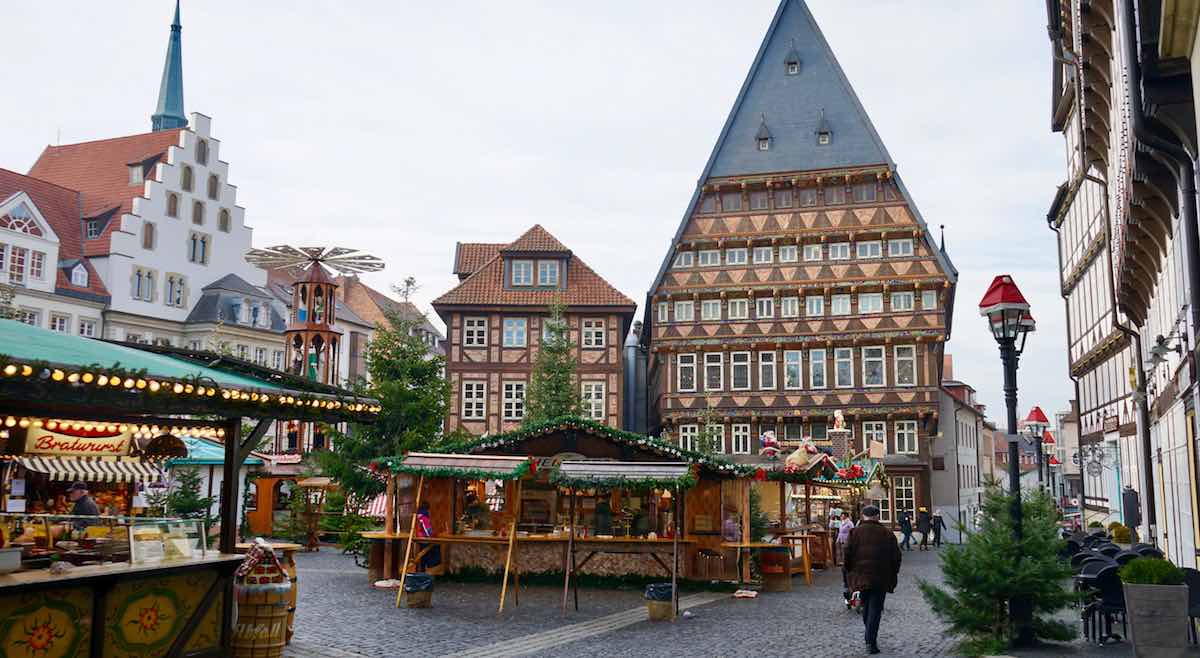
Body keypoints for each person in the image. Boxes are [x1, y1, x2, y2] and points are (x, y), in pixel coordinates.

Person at [844, 504, 903, 655]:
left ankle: (869, 636)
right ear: (877, 516)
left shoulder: (854, 532)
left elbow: (847, 555)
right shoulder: (887, 533)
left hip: (860, 576)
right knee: (875, 609)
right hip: (880, 576)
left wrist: (850, 572)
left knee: (865, 606)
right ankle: (871, 641)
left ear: (863, 516)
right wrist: (892, 572)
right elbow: (896, 557)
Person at [415, 502, 441, 571]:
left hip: (418, 537)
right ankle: (431, 564)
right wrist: (432, 536)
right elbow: (427, 530)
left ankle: (423, 568)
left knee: (423, 555)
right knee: (436, 545)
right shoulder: (424, 517)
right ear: (427, 509)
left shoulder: (417, 516)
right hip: (423, 538)